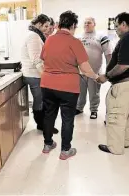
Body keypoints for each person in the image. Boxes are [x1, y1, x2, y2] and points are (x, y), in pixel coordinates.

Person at [40, 11, 99, 160]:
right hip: (67, 87)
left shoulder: (48, 40)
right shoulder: (74, 42)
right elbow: (85, 68)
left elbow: (43, 60)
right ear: (73, 25)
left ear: (59, 24)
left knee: (49, 115)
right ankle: (65, 150)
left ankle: (48, 144)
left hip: (47, 84)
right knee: (67, 118)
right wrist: (96, 77)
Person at [97, 12, 129, 154]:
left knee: (116, 116)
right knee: (126, 115)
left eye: (117, 26)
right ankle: (124, 142)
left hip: (124, 84)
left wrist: (106, 76)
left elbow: (123, 65)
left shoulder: (128, 39)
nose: (116, 30)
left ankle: (115, 148)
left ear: (124, 24)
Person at [21, 14, 58, 134]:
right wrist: (46, 77)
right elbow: (36, 60)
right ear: (38, 24)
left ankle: (43, 125)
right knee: (40, 100)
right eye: (46, 26)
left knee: (41, 100)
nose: (48, 28)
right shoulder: (33, 36)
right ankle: (42, 125)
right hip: (34, 75)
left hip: (35, 74)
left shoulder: (36, 35)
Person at [76, 17, 112, 119]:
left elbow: (108, 54)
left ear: (94, 24)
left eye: (89, 23)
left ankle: (94, 110)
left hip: (94, 72)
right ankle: (79, 108)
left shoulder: (101, 36)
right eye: (85, 23)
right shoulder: (78, 37)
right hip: (80, 72)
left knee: (94, 93)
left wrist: (108, 72)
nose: (86, 24)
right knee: (80, 92)